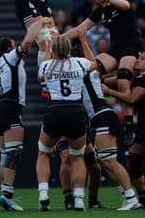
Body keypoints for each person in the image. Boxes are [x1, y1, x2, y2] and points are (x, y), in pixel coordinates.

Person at [63, 0, 143, 149]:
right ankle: (95, 112)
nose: (97, 0)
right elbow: (80, 28)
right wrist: (59, 39)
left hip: (131, 45)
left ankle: (129, 125)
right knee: (90, 70)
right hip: (115, 49)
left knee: (123, 78)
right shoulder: (100, 9)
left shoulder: (120, 1)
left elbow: (127, 5)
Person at [77, 27, 143, 210]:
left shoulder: (83, 69)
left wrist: (83, 41)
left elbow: (91, 62)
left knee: (109, 162)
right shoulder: (90, 71)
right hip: (102, 117)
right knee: (106, 162)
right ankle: (128, 197)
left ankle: (131, 199)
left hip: (102, 117)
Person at [0, 17, 51, 211]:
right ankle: (7, 196)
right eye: (13, 45)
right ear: (9, 48)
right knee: (13, 154)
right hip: (11, 111)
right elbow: (27, 42)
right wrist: (39, 22)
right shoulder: (10, 58)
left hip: (1, 111)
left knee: (5, 156)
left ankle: (5, 194)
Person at [101, 51, 145, 208]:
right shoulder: (137, 78)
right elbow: (115, 80)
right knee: (133, 163)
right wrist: (100, 78)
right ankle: (143, 197)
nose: (137, 61)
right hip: (143, 127)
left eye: (142, 59)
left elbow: (132, 99)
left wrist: (109, 91)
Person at [36, 35, 94, 211]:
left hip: (55, 110)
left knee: (44, 153)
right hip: (76, 111)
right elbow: (95, 63)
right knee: (77, 157)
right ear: (70, 49)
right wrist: (84, 41)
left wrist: (47, 49)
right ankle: (78, 199)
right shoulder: (80, 63)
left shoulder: (47, 65)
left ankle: (43, 194)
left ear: (54, 50)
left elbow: (40, 76)